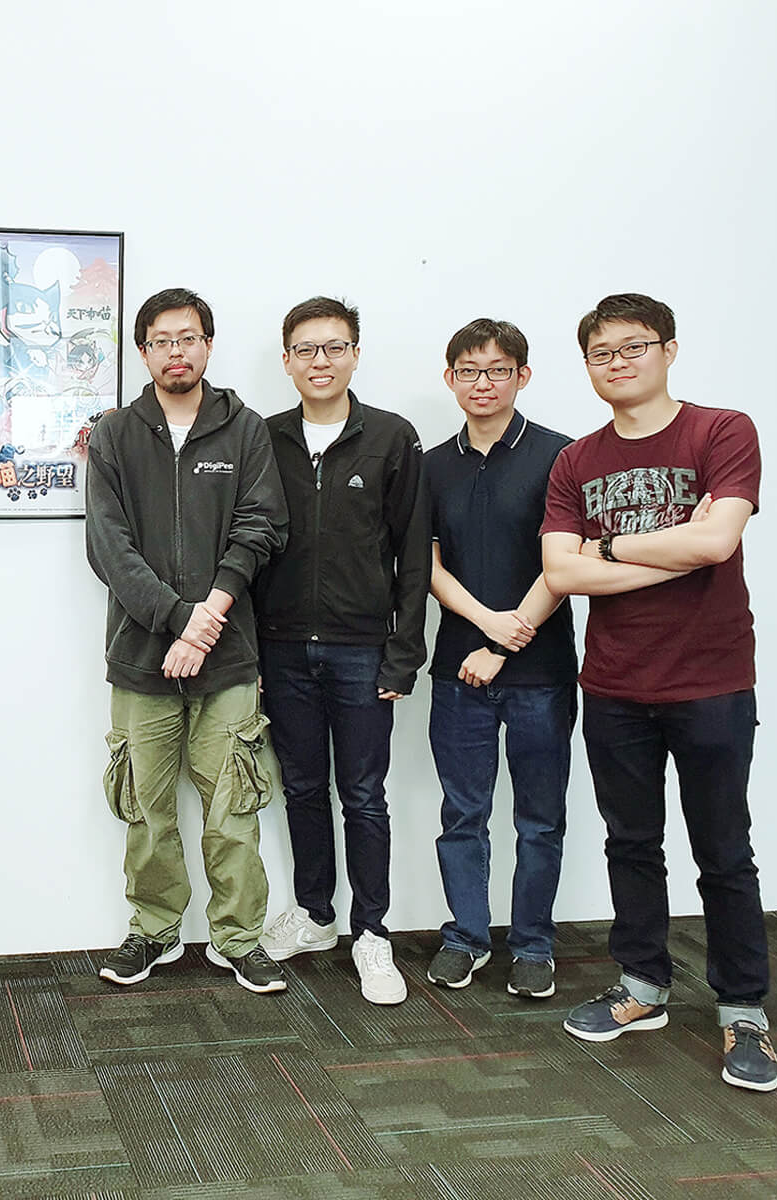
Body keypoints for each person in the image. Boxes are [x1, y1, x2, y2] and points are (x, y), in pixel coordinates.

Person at [542, 293, 776, 1092]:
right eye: (602, 352)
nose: (618, 362)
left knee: (724, 853)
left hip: (710, 680)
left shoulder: (721, 431)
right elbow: (560, 573)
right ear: (588, 367)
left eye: (633, 347)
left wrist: (608, 547)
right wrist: (672, 551)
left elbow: (719, 539)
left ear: (669, 350)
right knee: (630, 843)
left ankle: (744, 1009)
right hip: (613, 683)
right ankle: (642, 986)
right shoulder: (576, 460)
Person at [85, 287, 290, 995]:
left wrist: (209, 620)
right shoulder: (114, 435)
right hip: (141, 658)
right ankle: (154, 932)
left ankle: (239, 938)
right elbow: (108, 549)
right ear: (143, 352)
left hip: (229, 658)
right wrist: (181, 620)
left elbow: (261, 527)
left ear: (208, 344)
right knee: (146, 810)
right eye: (163, 340)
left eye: (190, 337)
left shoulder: (245, 429)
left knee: (233, 808)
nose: (178, 351)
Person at [256, 296, 429, 1006]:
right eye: (305, 349)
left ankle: (373, 934)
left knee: (362, 795)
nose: (319, 361)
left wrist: (403, 653)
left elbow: (414, 556)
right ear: (287, 360)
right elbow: (246, 548)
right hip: (283, 649)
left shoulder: (391, 438)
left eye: (333, 348)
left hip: (363, 652)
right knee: (300, 789)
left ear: (355, 354)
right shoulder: (262, 438)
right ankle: (316, 915)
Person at [422, 319, 576, 999]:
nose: (482, 383)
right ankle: (467, 937)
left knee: (540, 817)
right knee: (463, 813)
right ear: (450, 377)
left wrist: (504, 644)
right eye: (468, 370)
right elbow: (426, 566)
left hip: (541, 674)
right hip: (459, 670)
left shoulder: (560, 457)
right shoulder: (430, 465)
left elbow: (565, 565)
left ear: (523, 375)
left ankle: (534, 944)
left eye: (498, 369)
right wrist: (485, 627)